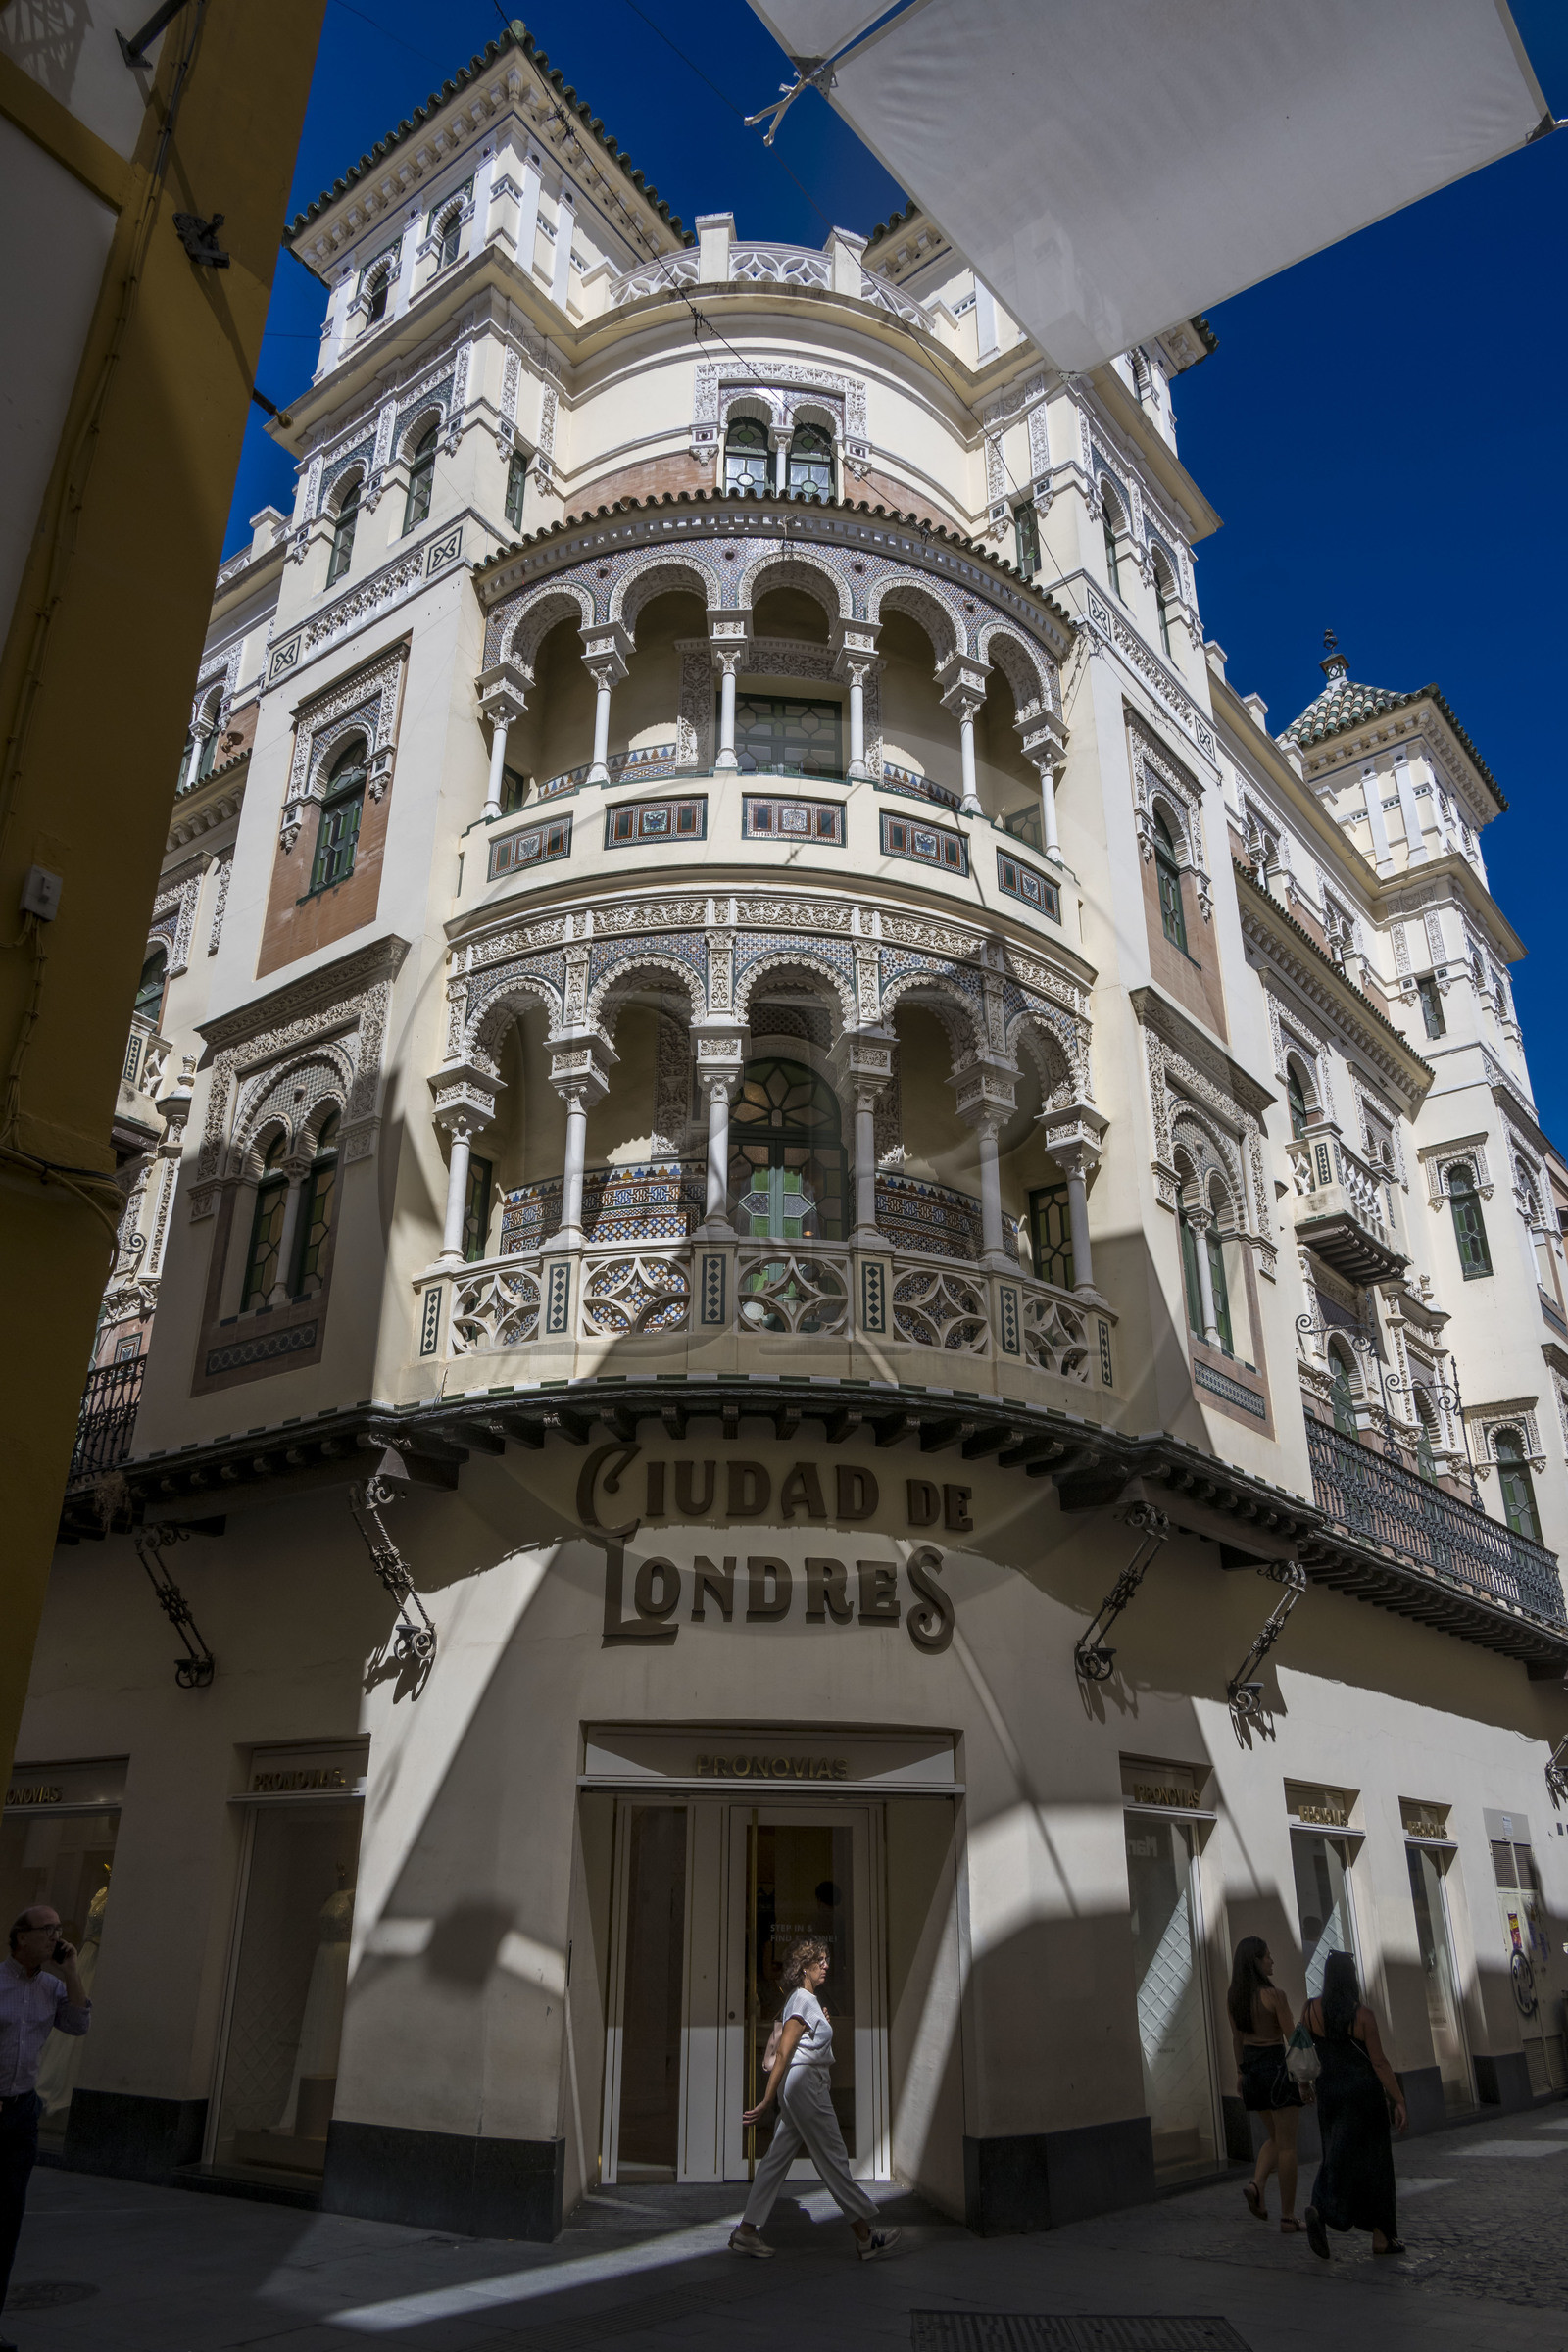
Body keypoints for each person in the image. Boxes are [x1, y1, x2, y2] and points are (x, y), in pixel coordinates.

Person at [728, 1937, 899, 2262]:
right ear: (804, 1966)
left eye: (826, 1960)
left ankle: (746, 2233)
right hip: (806, 2087)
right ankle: (865, 2237)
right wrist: (766, 2101)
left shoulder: (805, 2001)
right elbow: (783, 2053)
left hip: (804, 2085)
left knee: (776, 2160)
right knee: (833, 2158)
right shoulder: (802, 2000)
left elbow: (806, 2044)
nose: (826, 1966)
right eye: (820, 1961)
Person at [1, 1908, 91, 2347]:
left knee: (7, 2222)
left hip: (20, 2116)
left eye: (59, 1929)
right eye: (47, 1930)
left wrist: (72, 1970)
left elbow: (78, 2024)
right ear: (21, 1938)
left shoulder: (53, 1987)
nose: (57, 1935)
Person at [1302, 1950, 1405, 2260]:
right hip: (1364, 2097)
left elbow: (1303, 2053)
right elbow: (1380, 2063)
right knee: (1376, 2165)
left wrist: (1304, 2086)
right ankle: (1381, 2237)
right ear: (1352, 1979)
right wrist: (1398, 2100)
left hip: (1329, 2093)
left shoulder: (1310, 2011)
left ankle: (1322, 2207)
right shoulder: (1363, 2016)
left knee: (1335, 2153)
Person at [1227, 1936, 1305, 2235]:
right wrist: (1305, 2079)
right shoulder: (1275, 1996)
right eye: (1268, 1956)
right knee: (1287, 2146)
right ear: (1257, 1962)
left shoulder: (1233, 1997)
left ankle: (1256, 2185)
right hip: (1276, 2070)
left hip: (1252, 2073)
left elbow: (1237, 2039)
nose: (1272, 1961)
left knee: (1274, 2137)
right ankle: (1288, 2216)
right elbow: (1292, 2038)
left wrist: (1240, 2072)